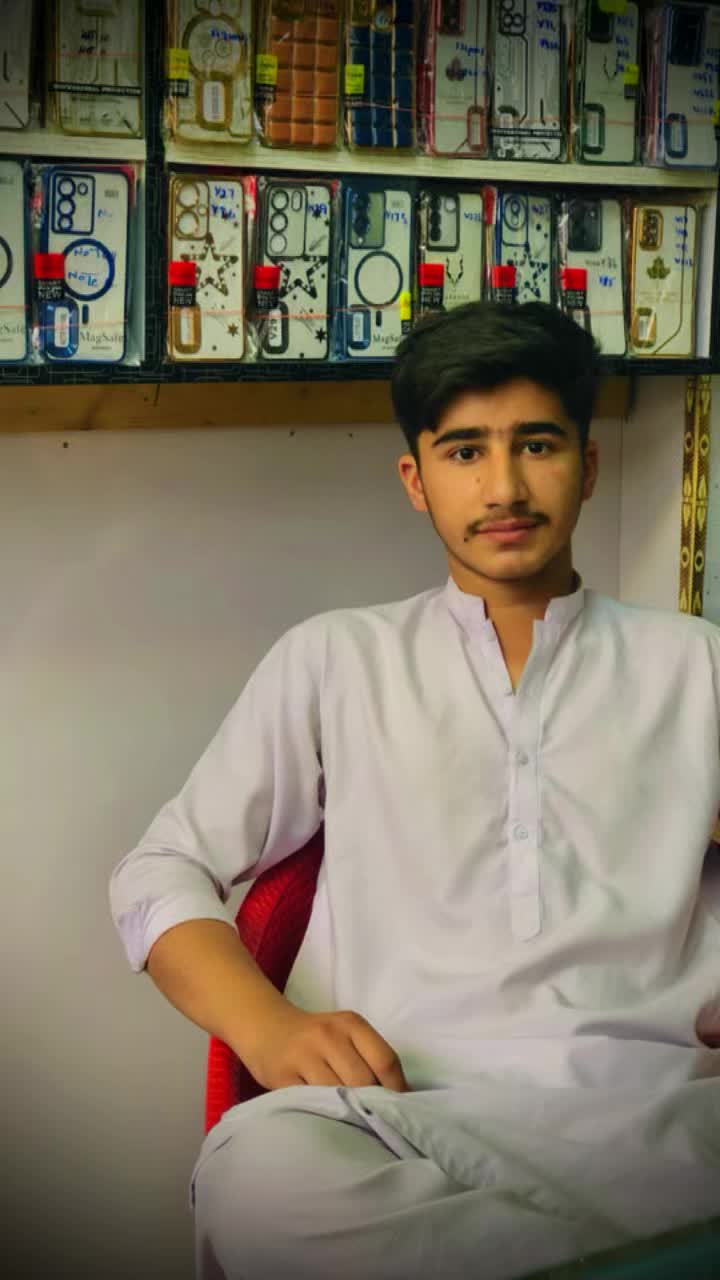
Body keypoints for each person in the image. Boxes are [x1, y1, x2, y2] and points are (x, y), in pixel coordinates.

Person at [109, 302, 720, 1280]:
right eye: (465, 451)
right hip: (398, 1121)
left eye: (538, 444)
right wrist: (268, 1026)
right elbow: (158, 871)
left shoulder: (696, 664)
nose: (504, 485)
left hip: (659, 1117)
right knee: (259, 1179)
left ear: (588, 465)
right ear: (416, 480)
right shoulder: (338, 659)